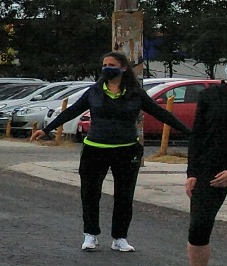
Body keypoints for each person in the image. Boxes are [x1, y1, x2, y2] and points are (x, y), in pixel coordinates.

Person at [33, 52, 188, 252]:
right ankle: (90, 235)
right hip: (95, 149)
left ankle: (120, 237)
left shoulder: (135, 93)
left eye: (111, 64)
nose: (107, 67)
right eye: (104, 64)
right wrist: (46, 129)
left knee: (124, 196)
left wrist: (189, 132)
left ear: (123, 68)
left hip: (126, 150)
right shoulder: (94, 91)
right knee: (90, 193)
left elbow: (160, 113)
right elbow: (72, 111)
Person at [186, 81, 227, 266]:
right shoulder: (210, 96)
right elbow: (198, 135)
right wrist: (191, 172)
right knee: (199, 225)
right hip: (209, 169)